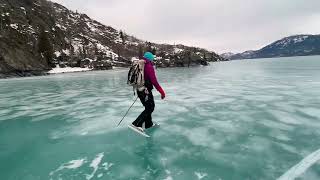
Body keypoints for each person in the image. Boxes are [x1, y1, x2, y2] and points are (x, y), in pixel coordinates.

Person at [131, 52, 166, 132]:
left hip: (139, 90)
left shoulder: (140, 64)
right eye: (152, 59)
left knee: (148, 106)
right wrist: (162, 92)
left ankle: (148, 124)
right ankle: (136, 124)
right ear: (150, 59)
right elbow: (154, 81)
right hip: (145, 91)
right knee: (150, 107)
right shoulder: (148, 66)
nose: (153, 61)